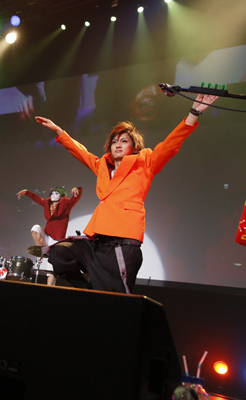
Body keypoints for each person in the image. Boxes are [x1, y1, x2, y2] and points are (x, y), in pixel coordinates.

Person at [35, 93, 218, 294]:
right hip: (96, 242)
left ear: (133, 147)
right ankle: (86, 291)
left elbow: (171, 144)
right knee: (59, 253)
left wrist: (194, 113)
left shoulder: (145, 163)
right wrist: (59, 131)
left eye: (124, 141)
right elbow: (81, 152)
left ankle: (98, 297)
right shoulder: (102, 166)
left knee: (116, 300)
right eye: (114, 141)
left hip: (122, 245)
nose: (118, 144)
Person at [16, 186, 82, 285]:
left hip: (56, 240)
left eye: (56, 193)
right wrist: (26, 192)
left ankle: (50, 288)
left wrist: (77, 190)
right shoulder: (47, 203)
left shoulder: (66, 203)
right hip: (47, 236)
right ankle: (40, 251)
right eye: (52, 193)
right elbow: (37, 198)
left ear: (61, 196)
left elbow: (75, 199)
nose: (53, 195)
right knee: (35, 228)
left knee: (51, 269)